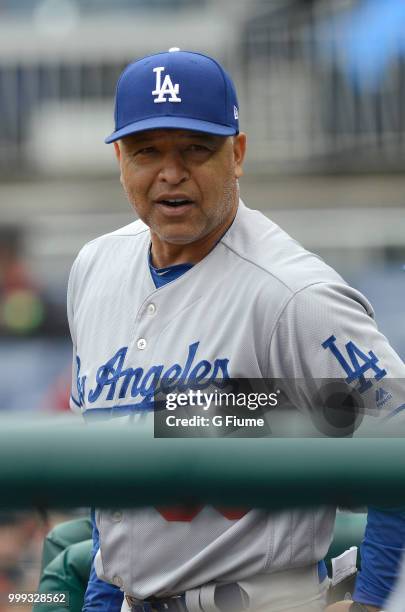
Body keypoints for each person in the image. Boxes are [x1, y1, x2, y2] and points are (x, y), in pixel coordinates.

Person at [67, 49, 405, 612]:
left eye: (196, 149)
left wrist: (371, 600)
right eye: (147, 151)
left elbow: (400, 439)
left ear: (238, 153)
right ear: (120, 159)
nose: (171, 172)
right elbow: (113, 499)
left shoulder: (295, 294)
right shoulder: (93, 268)